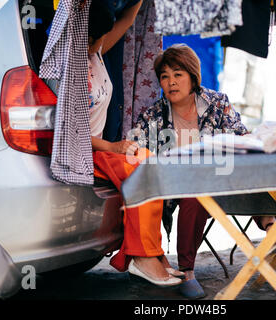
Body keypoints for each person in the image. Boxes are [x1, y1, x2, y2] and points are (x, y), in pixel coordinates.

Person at [135, 44, 276, 298]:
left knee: (255, 157)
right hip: (173, 185)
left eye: (178, 74)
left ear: (193, 77)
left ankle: (271, 228)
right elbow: (138, 153)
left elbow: (242, 138)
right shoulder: (154, 116)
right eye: (165, 76)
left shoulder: (217, 104)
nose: (171, 82)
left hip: (220, 178)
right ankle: (187, 272)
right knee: (194, 189)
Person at [86, 0, 181, 287]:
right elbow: (69, 133)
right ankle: (141, 257)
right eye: (96, 38)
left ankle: (153, 253)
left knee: (152, 162)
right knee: (140, 170)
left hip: (101, 149)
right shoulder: (71, 68)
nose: (101, 42)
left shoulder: (97, 53)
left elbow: (126, 21)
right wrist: (113, 147)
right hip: (83, 152)